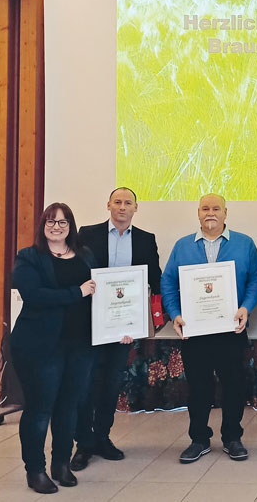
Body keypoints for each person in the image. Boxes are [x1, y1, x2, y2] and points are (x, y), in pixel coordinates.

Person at [161, 193, 257, 464]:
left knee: (233, 385)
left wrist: (246, 308)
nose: (211, 213)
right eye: (205, 208)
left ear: (226, 213)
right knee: (199, 387)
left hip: (231, 330)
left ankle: (232, 437)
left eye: (216, 208)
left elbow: (255, 281)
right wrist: (175, 314)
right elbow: (168, 283)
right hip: (195, 332)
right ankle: (199, 439)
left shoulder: (244, 244)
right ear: (198, 213)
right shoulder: (183, 246)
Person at [71, 187, 162, 471]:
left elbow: (154, 279)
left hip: (124, 327)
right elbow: (75, 273)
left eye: (128, 203)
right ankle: (83, 443)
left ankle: (102, 437)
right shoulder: (87, 234)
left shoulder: (146, 239)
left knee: (111, 384)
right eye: (118, 202)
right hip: (90, 325)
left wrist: (145, 321)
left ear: (136, 208)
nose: (122, 207)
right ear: (108, 205)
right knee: (86, 385)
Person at [11, 203, 97, 494]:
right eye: (50, 221)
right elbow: (34, 295)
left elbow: (103, 294)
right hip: (39, 346)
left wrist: (121, 324)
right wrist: (78, 292)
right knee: (39, 408)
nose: (56, 226)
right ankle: (34, 470)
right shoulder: (29, 257)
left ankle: (61, 464)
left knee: (68, 406)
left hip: (80, 345)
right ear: (42, 225)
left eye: (62, 222)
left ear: (71, 225)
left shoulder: (85, 256)